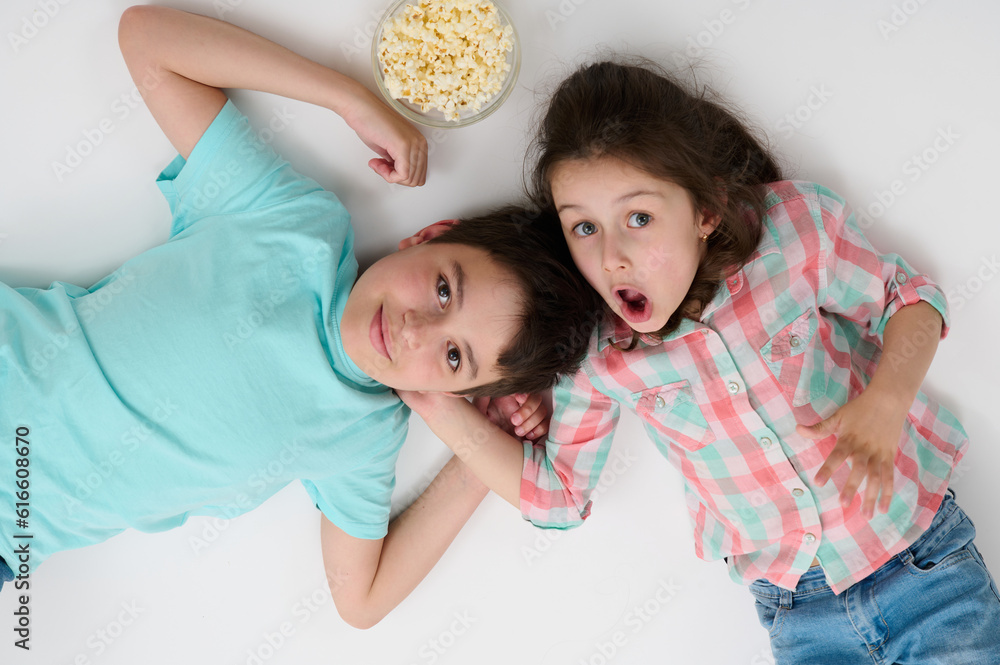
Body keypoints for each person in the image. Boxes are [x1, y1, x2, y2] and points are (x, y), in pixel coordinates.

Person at [0, 6, 597, 630]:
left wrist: (479, 448)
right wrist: (347, 98)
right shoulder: (292, 222)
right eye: (444, 290)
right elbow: (147, 39)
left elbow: (360, 602)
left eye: (453, 357)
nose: (415, 330)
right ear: (430, 235)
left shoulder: (364, 435)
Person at [401, 60, 1000, 661]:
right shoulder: (598, 354)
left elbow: (913, 301)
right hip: (800, 612)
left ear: (706, 210)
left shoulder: (793, 231)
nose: (612, 258)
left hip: (922, 562)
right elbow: (557, 498)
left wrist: (887, 402)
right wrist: (428, 399)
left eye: (639, 218)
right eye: (583, 228)